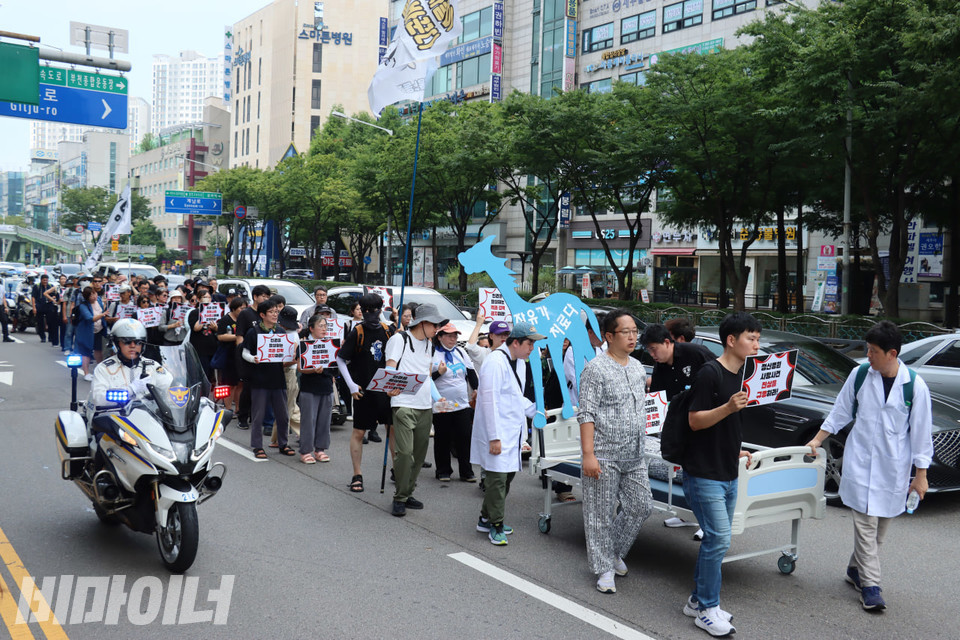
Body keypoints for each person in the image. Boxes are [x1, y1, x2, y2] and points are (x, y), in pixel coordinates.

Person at [804, 320, 933, 612]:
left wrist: (921, 475)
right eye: (867, 349)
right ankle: (871, 586)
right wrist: (817, 439)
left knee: (879, 530)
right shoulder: (860, 374)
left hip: (893, 469)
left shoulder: (914, 385)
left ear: (892, 353)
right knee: (866, 526)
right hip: (860, 464)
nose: (868, 355)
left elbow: (921, 433)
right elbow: (840, 411)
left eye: (873, 351)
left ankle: (855, 569)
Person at [682, 312, 760, 637]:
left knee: (717, 541)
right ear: (731, 340)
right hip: (704, 473)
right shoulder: (709, 374)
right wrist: (728, 407)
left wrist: (736, 451)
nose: (757, 344)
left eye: (758, 338)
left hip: (728, 469)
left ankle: (697, 600)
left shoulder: (745, 373)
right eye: (751, 338)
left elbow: (726, 427)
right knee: (718, 539)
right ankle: (707, 609)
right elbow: (695, 421)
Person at [577, 309, 652, 594]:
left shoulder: (636, 366)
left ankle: (612, 552)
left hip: (634, 454)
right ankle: (603, 568)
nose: (633, 337)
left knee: (641, 505)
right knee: (600, 514)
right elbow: (586, 413)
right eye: (626, 332)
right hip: (604, 454)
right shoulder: (595, 369)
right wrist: (588, 455)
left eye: (635, 331)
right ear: (609, 336)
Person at [470, 321, 543, 545]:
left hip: (512, 431)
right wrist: (494, 437)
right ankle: (496, 524)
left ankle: (485, 517)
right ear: (516, 342)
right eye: (530, 343)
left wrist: (535, 411)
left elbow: (514, 395)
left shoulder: (518, 362)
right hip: (498, 431)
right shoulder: (495, 362)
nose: (532, 348)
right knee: (497, 479)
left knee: (507, 475)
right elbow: (489, 400)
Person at [385, 303, 447, 517]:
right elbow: (390, 368)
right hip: (403, 403)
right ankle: (399, 497)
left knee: (419, 456)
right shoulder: (398, 339)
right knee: (404, 454)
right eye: (435, 324)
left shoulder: (430, 345)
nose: (437, 328)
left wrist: (438, 398)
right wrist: (390, 386)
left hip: (424, 406)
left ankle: (407, 491)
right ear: (423, 323)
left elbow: (427, 376)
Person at [336, 293, 395, 493]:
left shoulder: (389, 331)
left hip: (385, 391)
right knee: (359, 432)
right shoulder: (357, 331)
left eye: (374, 310)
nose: (370, 314)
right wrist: (351, 385)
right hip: (363, 390)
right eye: (366, 310)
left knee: (392, 430)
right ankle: (357, 474)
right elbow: (340, 359)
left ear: (380, 310)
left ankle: (397, 469)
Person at [88, 318, 173, 426]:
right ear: (116, 343)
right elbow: (99, 398)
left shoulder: (153, 366)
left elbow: (169, 386)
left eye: (138, 342)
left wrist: (183, 394)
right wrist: (130, 390)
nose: (133, 345)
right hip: (115, 421)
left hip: (150, 422)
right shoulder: (104, 368)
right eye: (127, 341)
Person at [240, 298, 295, 459]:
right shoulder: (254, 332)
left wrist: (291, 357)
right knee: (258, 415)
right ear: (262, 314)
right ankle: (257, 446)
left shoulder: (281, 332)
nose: (275, 315)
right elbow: (245, 352)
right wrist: (253, 359)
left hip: (278, 378)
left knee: (283, 415)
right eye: (271, 312)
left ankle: (283, 443)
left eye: (276, 312)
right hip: (259, 379)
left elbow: (286, 353)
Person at [431, 323, 477, 482]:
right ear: (440, 337)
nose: (453, 339)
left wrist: (477, 389)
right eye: (450, 336)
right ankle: (443, 470)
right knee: (442, 437)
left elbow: (471, 373)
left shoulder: (460, 352)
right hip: (441, 403)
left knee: (464, 437)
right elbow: (426, 380)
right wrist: (439, 372)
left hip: (462, 403)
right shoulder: (432, 353)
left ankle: (466, 471)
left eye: (455, 336)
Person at [297, 313, 336, 464]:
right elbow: (300, 368)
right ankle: (305, 451)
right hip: (309, 386)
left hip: (326, 386)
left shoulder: (331, 344)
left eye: (326, 326)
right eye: (320, 326)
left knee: (324, 420)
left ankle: (320, 449)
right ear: (311, 328)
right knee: (308, 420)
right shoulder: (304, 345)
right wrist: (313, 370)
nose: (324, 329)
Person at [641, 324, 714, 400]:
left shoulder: (694, 352)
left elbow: (720, 369)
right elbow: (657, 399)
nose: (652, 354)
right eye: (648, 350)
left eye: (653, 349)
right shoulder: (659, 368)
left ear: (667, 342)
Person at [234, 285, 273, 430]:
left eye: (267, 296)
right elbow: (240, 336)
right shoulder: (246, 314)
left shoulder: (269, 313)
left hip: (267, 358)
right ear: (255, 297)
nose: (265, 299)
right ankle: (242, 417)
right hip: (249, 356)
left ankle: (259, 417)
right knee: (248, 387)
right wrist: (243, 355)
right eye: (263, 296)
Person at [214, 296, 245, 410]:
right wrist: (238, 337)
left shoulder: (244, 319)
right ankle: (228, 408)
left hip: (241, 355)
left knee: (240, 384)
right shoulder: (225, 320)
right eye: (241, 308)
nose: (243, 311)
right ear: (233, 309)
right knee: (230, 384)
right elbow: (220, 336)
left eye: (244, 308)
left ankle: (238, 408)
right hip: (228, 356)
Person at [277, 305, 303, 437]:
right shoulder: (289, 334)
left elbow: (294, 359)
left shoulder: (291, 336)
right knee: (286, 406)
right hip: (286, 372)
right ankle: (276, 438)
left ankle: (305, 434)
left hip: (289, 372)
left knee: (288, 408)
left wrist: (278, 364)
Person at [75, 286, 110, 381]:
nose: (94, 296)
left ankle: (100, 372)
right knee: (86, 352)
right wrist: (103, 314)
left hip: (99, 330)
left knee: (98, 351)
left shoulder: (98, 300)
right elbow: (90, 318)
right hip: (86, 332)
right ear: (86, 297)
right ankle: (86, 373)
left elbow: (102, 311)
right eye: (91, 295)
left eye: (95, 293)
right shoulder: (83, 306)